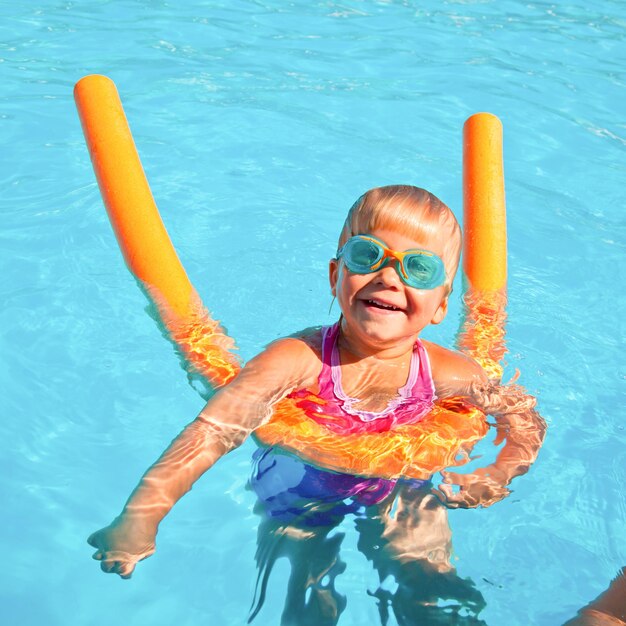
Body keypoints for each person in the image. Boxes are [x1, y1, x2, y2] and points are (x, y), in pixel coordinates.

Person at [88, 185, 545, 606]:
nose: (389, 278)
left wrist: (502, 471)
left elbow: (522, 415)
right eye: (368, 255)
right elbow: (213, 429)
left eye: (418, 267)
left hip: (400, 486)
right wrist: (142, 517)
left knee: (431, 586)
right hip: (299, 485)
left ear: (442, 305)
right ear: (335, 275)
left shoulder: (447, 372)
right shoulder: (298, 359)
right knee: (308, 593)